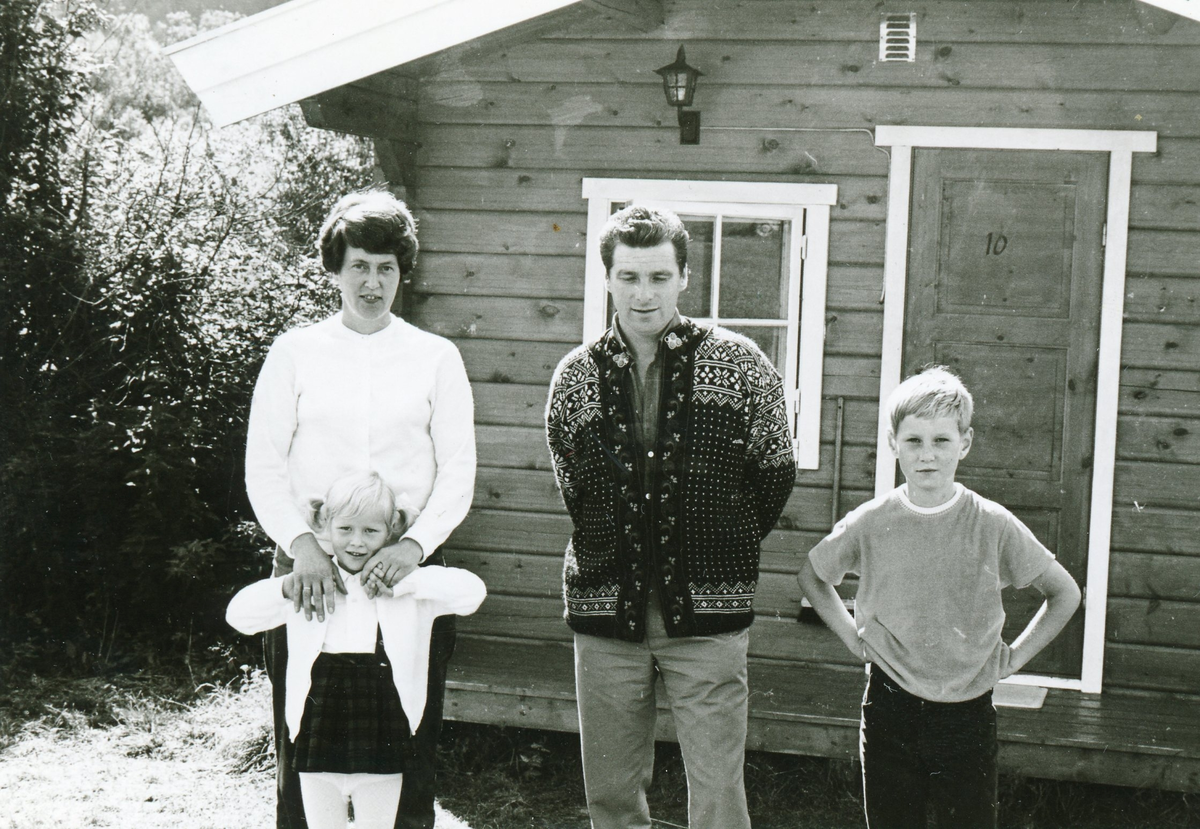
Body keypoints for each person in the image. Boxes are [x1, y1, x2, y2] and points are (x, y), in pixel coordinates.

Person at [545, 205, 797, 829]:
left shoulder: (741, 366)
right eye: (628, 277)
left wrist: (719, 542)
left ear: (685, 277)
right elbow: (574, 488)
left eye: (658, 277)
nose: (643, 294)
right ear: (607, 278)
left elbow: (774, 470)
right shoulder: (575, 378)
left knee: (717, 792)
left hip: (709, 616)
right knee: (610, 790)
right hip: (607, 611)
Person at [245, 189, 476, 829]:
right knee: (302, 742)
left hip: (405, 573)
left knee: (407, 745)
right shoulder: (295, 353)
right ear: (335, 270)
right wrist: (303, 546)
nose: (372, 283)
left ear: (403, 272)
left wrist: (412, 547)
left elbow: (458, 471)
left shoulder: (436, 358)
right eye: (359, 267)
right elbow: (264, 467)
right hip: (310, 573)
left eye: (387, 268)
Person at [796, 366, 1082, 829]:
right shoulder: (872, 520)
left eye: (941, 441)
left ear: (964, 443)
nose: (927, 455)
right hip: (890, 704)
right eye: (913, 441)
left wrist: (1012, 660)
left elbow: (1064, 592)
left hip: (967, 712)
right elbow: (812, 576)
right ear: (893, 444)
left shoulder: (992, 522)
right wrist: (855, 640)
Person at [227, 472, 486, 829]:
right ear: (325, 525)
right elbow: (239, 615)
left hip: (382, 719)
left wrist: (409, 582)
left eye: (370, 531)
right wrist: (288, 586)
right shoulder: (311, 583)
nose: (357, 543)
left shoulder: (406, 591)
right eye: (346, 529)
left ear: (392, 531)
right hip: (318, 718)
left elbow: (472, 592)